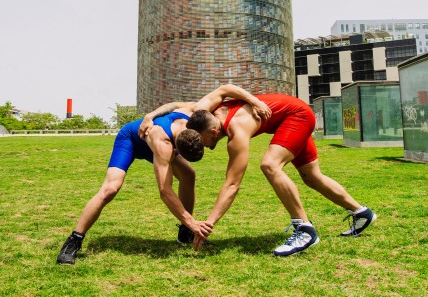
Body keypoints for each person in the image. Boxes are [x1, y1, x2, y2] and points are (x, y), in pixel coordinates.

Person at [57, 85, 271, 264]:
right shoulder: (164, 144)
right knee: (111, 188)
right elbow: (164, 190)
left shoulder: (193, 117)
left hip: (161, 142)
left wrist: (254, 101)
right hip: (131, 140)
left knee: (188, 175)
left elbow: (181, 103)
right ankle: (74, 240)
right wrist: (192, 221)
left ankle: (184, 235)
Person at [174, 93, 377, 257]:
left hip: (297, 116)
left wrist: (208, 224)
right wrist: (149, 117)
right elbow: (178, 105)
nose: (207, 148)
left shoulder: (237, 131)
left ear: (212, 131)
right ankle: (361, 212)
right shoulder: (206, 110)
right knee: (312, 176)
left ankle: (304, 230)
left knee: (270, 165)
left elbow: (232, 184)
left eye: (204, 142)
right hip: (291, 115)